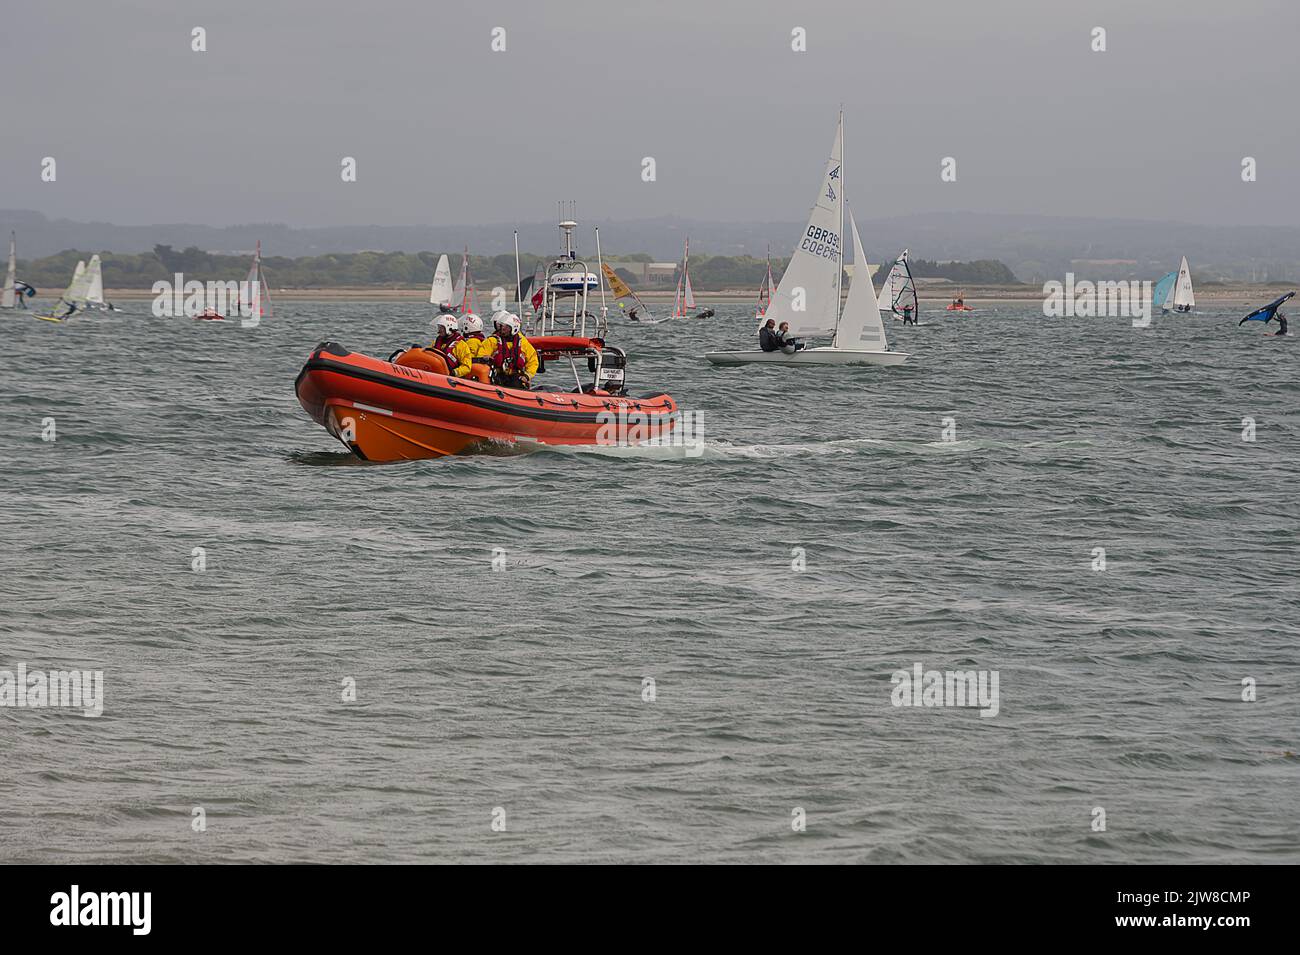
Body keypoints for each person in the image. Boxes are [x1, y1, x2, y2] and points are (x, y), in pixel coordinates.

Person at [476, 311, 538, 388]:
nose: (502, 329)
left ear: (514, 328)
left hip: (515, 377)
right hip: (497, 376)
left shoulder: (523, 343)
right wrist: (485, 358)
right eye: (502, 326)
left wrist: (527, 376)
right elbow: (480, 355)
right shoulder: (492, 340)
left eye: (506, 327)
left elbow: (533, 361)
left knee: (517, 385)